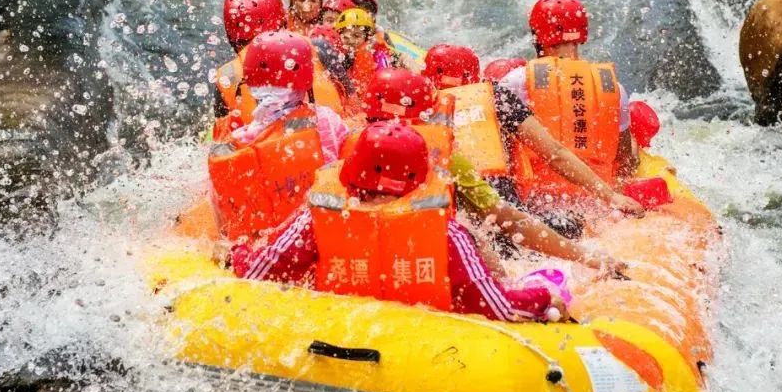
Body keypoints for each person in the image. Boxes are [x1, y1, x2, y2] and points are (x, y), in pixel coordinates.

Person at [231, 121, 568, 322]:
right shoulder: (446, 233)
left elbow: (260, 273)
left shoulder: (316, 218)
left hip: (338, 329)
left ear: (353, 168)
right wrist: (541, 299)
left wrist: (236, 253)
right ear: (418, 177)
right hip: (423, 345)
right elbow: (492, 304)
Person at [418, 46, 627, 274]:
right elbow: (555, 153)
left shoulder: (418, 108)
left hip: (448, 228)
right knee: (570, 223)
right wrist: (610, 195)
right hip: (509, 223)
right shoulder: (495, 96)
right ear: (475, 77)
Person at [496, 0, 643, 215]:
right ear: (583, 35)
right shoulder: (613, 87)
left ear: (537, 35)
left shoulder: (517, 82)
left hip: (536, 206)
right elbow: (624, 161)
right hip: (599, 208)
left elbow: (501, 152)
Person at [209, 30, 350, 243]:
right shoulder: (327, 120)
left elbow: (223, 218)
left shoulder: (236, 144)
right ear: (306, 76)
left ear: (251, 80)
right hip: (326, 236)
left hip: (260, 253)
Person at [213, 0, 344, 136]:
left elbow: (222, 139)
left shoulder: (226, 76)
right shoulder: (318, 47)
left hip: (268, 152)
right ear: (282, 19)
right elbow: (354, 108)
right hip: (330, 145)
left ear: (231, 34)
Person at [333, 8, 395, 112]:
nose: (351, 41)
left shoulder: (377, 55)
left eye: (356, 36)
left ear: (366, 37)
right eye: (346, 37)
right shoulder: (339, 56)